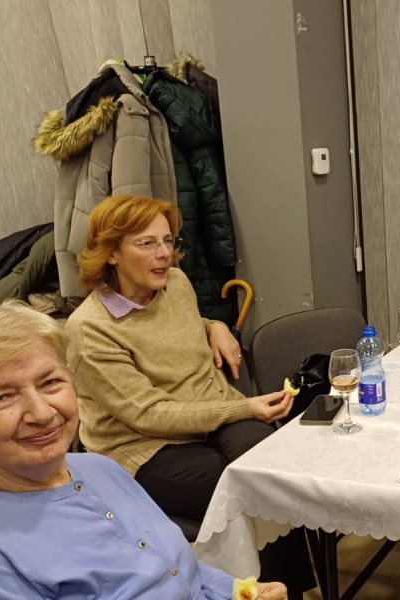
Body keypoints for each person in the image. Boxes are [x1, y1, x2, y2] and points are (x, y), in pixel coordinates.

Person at [0, 299, 288, 599]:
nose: (42, 413)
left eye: (50, 382)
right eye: (2, 397)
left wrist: (234, 590)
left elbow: (179, 569)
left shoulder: (100, 469)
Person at [64, 195, 314, 592]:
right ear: (111, 253)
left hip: (208, 412)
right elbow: (149, 415)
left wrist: (214, 326)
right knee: (243, 489)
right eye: (147, 243)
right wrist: (242, 409)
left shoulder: (175, 284)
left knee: (272, 469)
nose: (164, 254)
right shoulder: (90, 329)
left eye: (168, 240)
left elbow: (176, 326)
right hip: (145, 446)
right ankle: (236, 591)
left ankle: (290, 590)